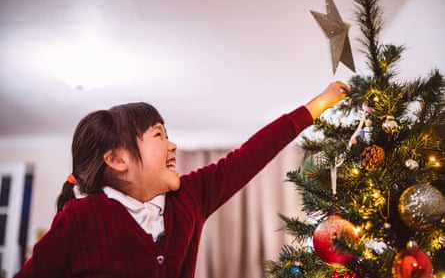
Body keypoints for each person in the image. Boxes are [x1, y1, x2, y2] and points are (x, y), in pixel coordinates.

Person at [14, 81, 350, 278]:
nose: (173, 144)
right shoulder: (81, 218)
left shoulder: (190, 197)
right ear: (118, 160)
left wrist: (317, 105)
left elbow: (251, 154)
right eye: (158, 135)